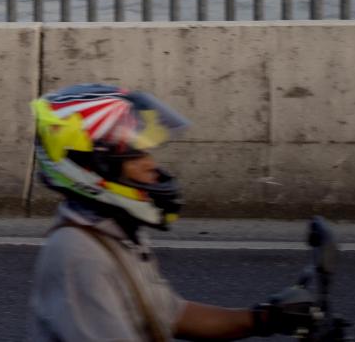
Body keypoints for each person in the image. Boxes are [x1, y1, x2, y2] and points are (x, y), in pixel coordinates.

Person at [28, 84, 317, 341]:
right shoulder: (78, 256)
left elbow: (169, 315)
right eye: (135, 155)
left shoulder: (112, 231)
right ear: (93, 167)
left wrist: (265, 318)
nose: (151, 165)